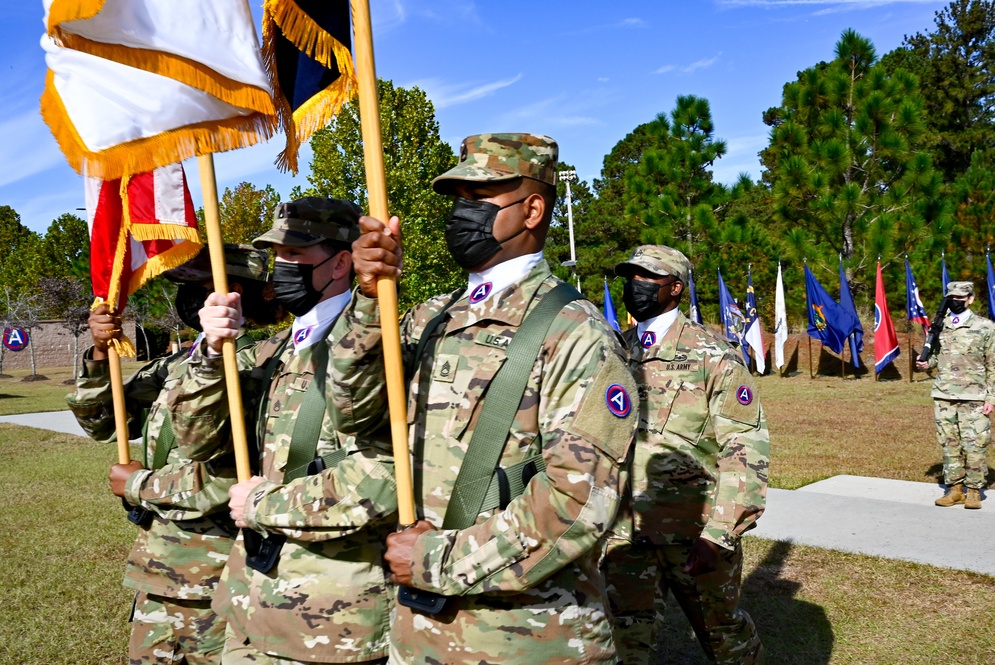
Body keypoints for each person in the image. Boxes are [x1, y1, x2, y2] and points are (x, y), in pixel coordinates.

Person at [325, 133, 638, 664]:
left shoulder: (574, 330)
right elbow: (353, 412)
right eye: (457, 201)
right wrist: (369, 300)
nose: (459, 215)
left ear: (532, 208)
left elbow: (579, 500)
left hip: (525, 637)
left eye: (479, 199)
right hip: (419, 633)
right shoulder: (431, 316)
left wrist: (436, 561)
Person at [168, 197, 397, 665]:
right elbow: (195, 440)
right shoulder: (271, 352)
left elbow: (382, 480)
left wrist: (262, 504)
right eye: (278, 255)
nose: (282, 267)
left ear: (341, 262)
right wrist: (211, 354)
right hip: (251, 600)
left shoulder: (385, 347)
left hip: (328, 616)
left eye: (296, 255)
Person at [66, 243, 277, 665]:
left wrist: (140, 486)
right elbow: (105, 423)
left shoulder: (263, 363)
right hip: (158, 562)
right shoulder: (179, 364)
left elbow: (233, 476)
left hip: (214, 569)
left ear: (231, 291)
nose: (186, 299)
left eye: (194, 287)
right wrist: (98, 352)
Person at [604, 245, 769, 665]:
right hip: (625, 531)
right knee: (624, 638)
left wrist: (720, 533)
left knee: (722, 634)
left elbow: (744, 448)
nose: (634, 287)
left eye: (647, 278)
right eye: (630, 278)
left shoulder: (712, 355)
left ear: (675, 288)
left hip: (694, 532)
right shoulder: (614, 352)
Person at [916, 281, 995, 510]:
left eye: (960, 299)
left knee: (975, 444)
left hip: (975, 396)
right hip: (944, 395)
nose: (955, 303)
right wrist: (926, 363)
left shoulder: (985, 327)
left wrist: (992, 398)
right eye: (951, 298)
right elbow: (936, 358)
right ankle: (954, 489)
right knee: (949, 444)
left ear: (970, 299)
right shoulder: (940, 326)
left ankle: (973, 491)